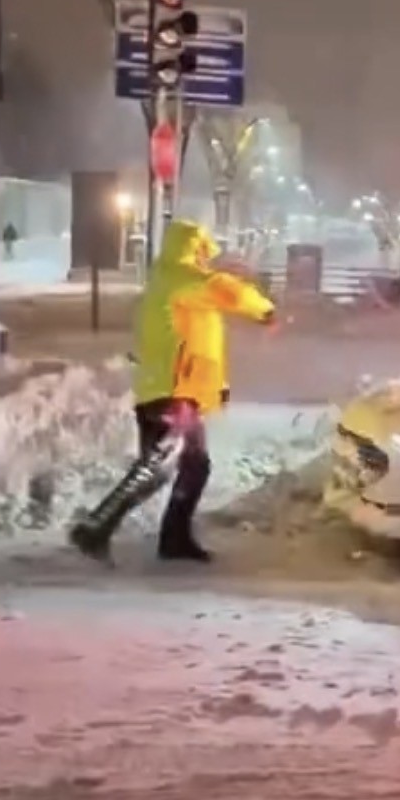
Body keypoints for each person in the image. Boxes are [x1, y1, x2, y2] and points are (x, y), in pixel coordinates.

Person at [70, 218, 275, 564]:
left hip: (167, 390)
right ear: (193, 249)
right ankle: (101, 529)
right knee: (176, 466)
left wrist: (215, 387)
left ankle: (133, 532)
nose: (205, 261)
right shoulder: (181, 278)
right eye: (202, 253)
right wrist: (265, 311)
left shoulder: (167, 281)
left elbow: (194, 340)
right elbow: (228, 291)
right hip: (175, 394)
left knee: (162, 468)